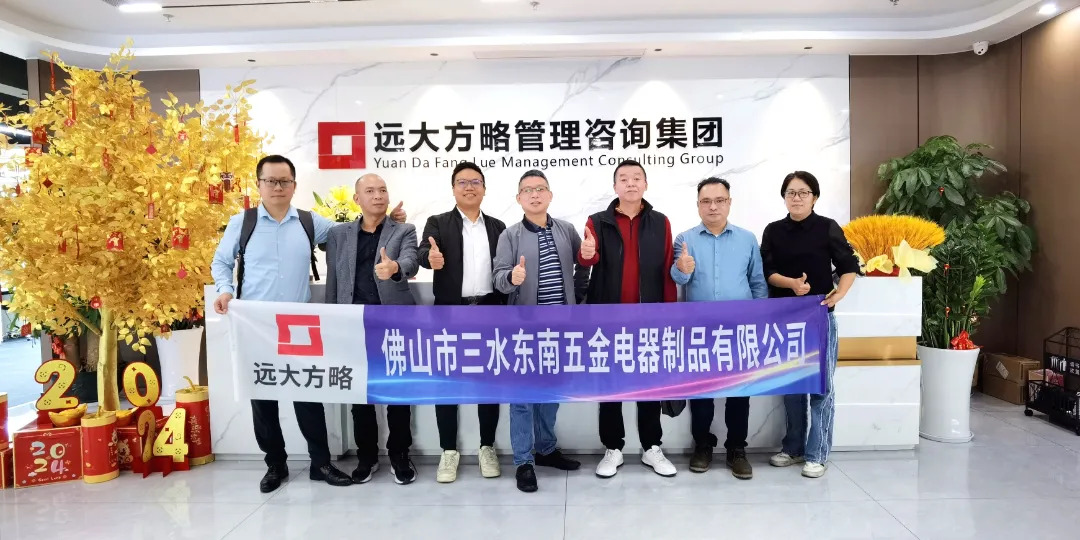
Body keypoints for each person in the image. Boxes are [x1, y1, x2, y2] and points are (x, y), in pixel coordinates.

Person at [211, 154, 352, 493]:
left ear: (294, 185)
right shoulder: (242, 223)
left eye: (284, 181)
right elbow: (221, 262)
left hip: (298, 323)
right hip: (255, 323)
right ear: (258, 184)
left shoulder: (309, 222)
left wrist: (386, 219)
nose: (278, 187)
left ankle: (320, 463)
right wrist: (225, 290)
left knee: (308, 393)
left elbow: (350, 235)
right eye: (271, 181)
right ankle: (275, 464)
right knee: (263, 398)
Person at [577, 159, 678, 478]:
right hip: (608, 320)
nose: (630, 183)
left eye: (636, 178)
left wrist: (667, 315)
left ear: (645, 184)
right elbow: (587, 259)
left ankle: (652, 447)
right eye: (624, 178)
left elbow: (667, 270)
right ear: (615, 186)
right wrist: (587, 253)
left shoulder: (660, 222)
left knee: (649, 385)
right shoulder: (598, 221)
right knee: (611, 386)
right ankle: (613, 448)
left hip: (648, 319)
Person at [492, 169, 586, 493]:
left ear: (550, 195)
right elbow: (498, 278)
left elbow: (584, 262)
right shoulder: (510, 235)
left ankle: (546, 448)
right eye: (528, 190)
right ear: (519, 198)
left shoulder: (566, 230)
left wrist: (580, 296)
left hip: (561, 328)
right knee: (521, 397)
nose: (535, 194)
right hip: (523, 329)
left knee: (550, 393)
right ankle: (523, 461)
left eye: (540, 189)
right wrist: (512, 278)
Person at [761, 171, 859, 479]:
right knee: (792, 387)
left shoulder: (827, 227)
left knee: (820, 388)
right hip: (785, 318)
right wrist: (791, 284)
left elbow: (849, 266)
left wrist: (839, 293)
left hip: (818, 316)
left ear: (814, 197)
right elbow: (768, 272)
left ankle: (818, 454)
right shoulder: (773, 230)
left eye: (803, 192)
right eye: (791, 192)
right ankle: (793, 448)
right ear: (784, 197)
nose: (797, 198)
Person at [324, 173, 420, 485]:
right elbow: (333, 280)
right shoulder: (338, 234)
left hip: (394, 322)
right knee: (359, 393)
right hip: (354, 323)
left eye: (382, 190)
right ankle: (367, 455)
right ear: (357, 199)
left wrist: (395, 268)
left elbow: (411, 261)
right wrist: (332, 319)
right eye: (370, 191)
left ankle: (399, 454)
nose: (378, 195)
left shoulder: (404, 230)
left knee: (398, 392)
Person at [670, 178, 767, 479]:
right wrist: (681, 269)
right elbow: (677, 279)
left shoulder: (747, 239)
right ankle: (702, 446)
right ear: (698, 205)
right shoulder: (685, 239)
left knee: (740, 392)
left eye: (719, 200)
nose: (713, 206)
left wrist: (760, 322)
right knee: (701, 393)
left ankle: (737, 448)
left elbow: (758, 283)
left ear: (729, 203)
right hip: (699, 331)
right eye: (706, 201)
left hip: (739, 330)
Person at [417, 161, 507, 483]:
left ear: (484, 188)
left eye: (475, 182)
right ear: (453, 188)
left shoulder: (498, 226)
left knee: (488, 383)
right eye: (462, 182)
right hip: (450, 313)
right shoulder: (438, 223)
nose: (469, 187)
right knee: (447, 382)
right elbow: (422, 253)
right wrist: (430, 259)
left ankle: (487, 446)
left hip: (489, 310)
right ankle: (448, 451)